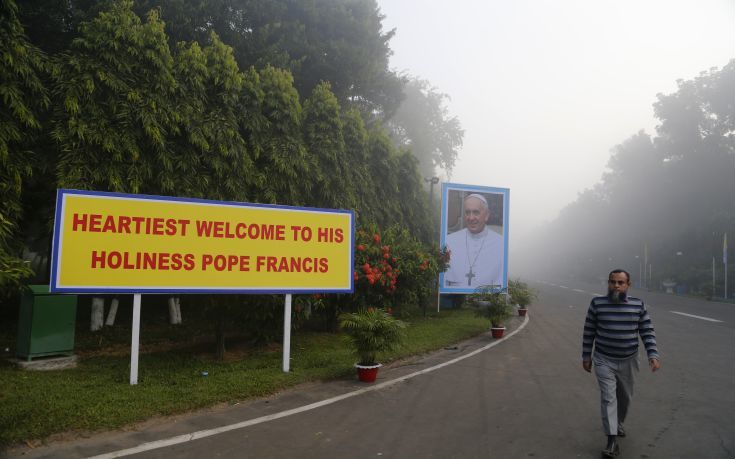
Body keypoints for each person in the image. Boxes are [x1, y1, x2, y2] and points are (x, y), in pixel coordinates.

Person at [582, 269, 661, 458]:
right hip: (603, 359)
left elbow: (647, 330)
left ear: (628, 285)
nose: (616, 285)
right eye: (612, 282)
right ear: (608, 283)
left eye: (620, 282)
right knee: (609, 398)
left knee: (624, 398)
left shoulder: (637, 305)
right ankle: (611, 441)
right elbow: (589, 330)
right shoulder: (597, 304)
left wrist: (653, 354)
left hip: (629, 360)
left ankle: (617, 423)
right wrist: (586, 356)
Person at [443, 193, 504, 288]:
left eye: (476, 212)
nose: (471, 218)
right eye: (468, 212)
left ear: (487, 215)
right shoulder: (449, 241)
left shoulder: (501, 244)